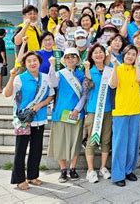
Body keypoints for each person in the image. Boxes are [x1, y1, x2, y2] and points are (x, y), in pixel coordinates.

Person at [3, 52, 54, 190]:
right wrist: (12, 76)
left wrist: (39, 105)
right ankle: (19, 179)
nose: (32, 63)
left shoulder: (45, 78)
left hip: (39, 119)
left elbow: (50, 96)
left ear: (39, 62)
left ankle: (32, 176)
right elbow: (7, 94)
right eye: (29, 61)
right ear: (25, 64)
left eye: (35, 60)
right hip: (23, 120)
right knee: (21, 150)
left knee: (36, 149)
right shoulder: (20, 78)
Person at [47, 48, 87, 183]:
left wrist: (77, 109)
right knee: (60, 142)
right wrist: (52, 66)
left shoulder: (82, 75)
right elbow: (51, 83)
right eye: (67, 57)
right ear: (64, 60)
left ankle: (73, 168)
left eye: (73, 57)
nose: (70, 60)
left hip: (76, 113)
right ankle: (63, 170)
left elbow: (85, 94)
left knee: (75, 142)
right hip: (60, 113)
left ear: (77, 59)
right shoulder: (59, 74)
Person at [109, 44, 140, 187]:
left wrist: (137, 65)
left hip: (135, 109)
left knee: (133, 142)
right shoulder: (118, 68)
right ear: (123, 55)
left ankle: (129, 170)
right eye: (128, 54)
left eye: (133, 54)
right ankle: (118, 175)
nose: (130, 56)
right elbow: (113, 84)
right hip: (121, 111)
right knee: (119, 143)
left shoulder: (137, 69)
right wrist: (114, 68)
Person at [83, 43, 113, 183]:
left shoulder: (110, 69)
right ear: (91, 56)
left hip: (108, 109)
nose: (99, 54)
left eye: (101, 52)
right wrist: (87, 71)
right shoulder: (90, 70)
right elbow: (87, 88)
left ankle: (103, 167)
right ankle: (90, 170)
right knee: (92, 140)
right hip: (93, 110)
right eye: (95, 53)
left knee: (106, 139)